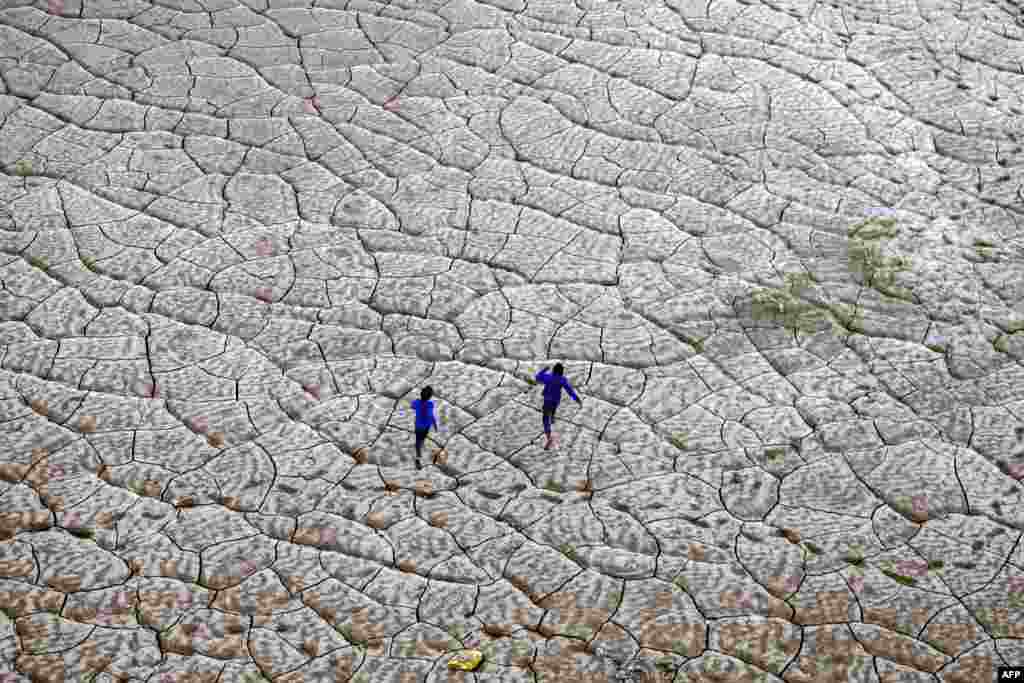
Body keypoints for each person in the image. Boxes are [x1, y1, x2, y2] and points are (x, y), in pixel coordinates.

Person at [535, 363, 581, 450]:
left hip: (547, 400)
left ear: (553, 370)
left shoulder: (549, 377)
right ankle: (552, 416)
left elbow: (537, 377)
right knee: (552, 411)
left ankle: (549, 437)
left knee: (545, 419)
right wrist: (577, 399)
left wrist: (544, 369)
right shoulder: (562, 379)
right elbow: (569, 391)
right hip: (556, 401)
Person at [411, 386, 438, 469]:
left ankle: (418, 458)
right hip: (427, 425)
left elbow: (412, 406)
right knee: (422, 439)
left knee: (418, 442)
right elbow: (431, 415)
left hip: (419, 426)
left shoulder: (416, 402)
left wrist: (417, 401)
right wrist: (435, 424)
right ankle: (420, 447)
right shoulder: (430, 404)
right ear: (430, 396)